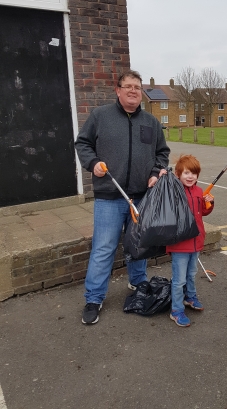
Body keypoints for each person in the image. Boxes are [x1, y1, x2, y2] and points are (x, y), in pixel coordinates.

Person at [75, 69, 170, 325]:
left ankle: (138, 282)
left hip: (141, 197)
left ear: (142, 92)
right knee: (104, 248)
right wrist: (92, 162)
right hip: (109, 196)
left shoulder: (151, 122)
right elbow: (82, 144)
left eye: (137, 87)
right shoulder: (100, 116)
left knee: (138, 245)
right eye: (127, 86)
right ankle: (94, 298)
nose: (132, 91)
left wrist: (154, 172)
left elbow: (162, 153)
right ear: (118, 90)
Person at [166, 155, 214, 327]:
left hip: (196, 242)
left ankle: (190, 297)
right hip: (180, 244)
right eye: (186, 172)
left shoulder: (199, 191)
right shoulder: (173, 191)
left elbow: (203, 212)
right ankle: (176, 310)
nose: (190, 177)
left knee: (191, 274)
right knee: (179, 280)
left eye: (194, 173)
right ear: (178, 174)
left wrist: (210, 203)